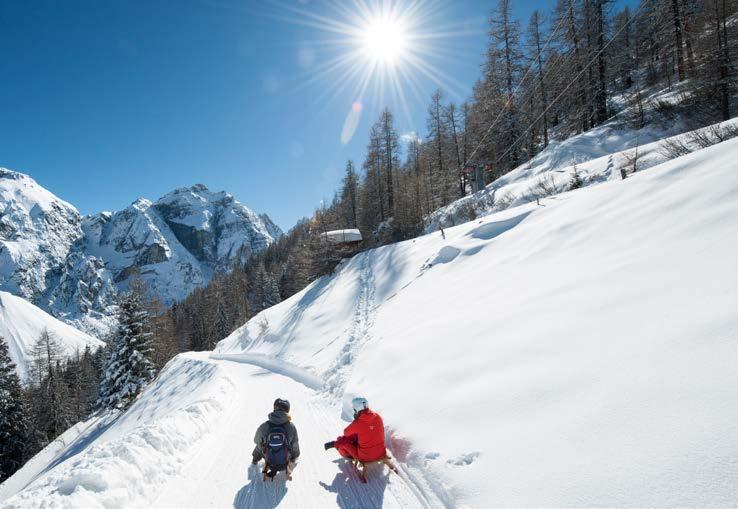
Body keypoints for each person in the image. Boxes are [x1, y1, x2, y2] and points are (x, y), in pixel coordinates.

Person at [324, 396, 387, 463]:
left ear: (357, 409)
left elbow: (346, 433)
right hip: (381, 452)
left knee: (342, 443)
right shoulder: (377, 416)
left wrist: (356, 421)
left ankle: (344, 451)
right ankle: (336, 443)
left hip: (366, 457)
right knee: (356, 435)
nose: (354, 412)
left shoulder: (358, 423)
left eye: (354, 410)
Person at [252, 398, 300, 475]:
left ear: (275, 408)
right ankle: (291, 460)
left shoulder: (265, 425)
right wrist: (294, 456)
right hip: (284, 461)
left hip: (269, 460)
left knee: (260, 444)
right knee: (292, 444)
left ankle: (255, 459)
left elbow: (256, 440)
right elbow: (295, 444)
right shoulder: (291, 426)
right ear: (287, 410)